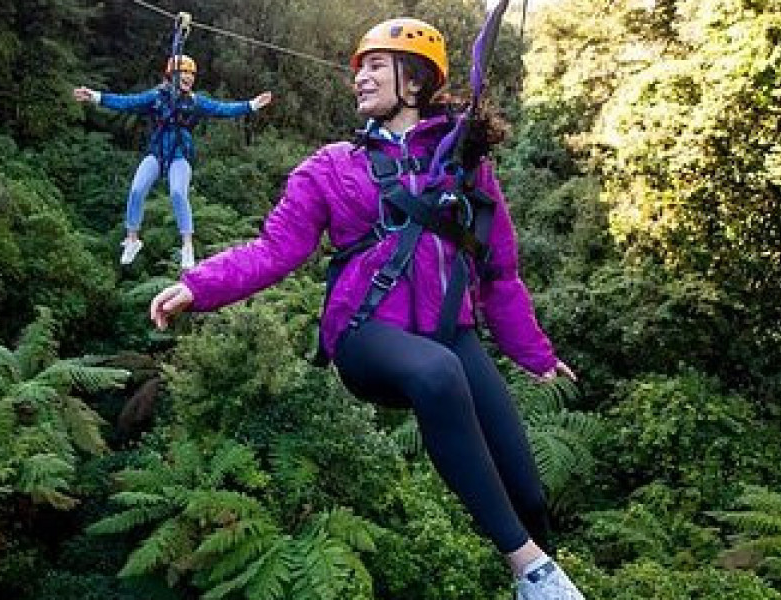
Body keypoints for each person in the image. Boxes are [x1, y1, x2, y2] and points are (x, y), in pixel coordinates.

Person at [148, 18, 586, 600]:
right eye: (359, 68)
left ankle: (540, 576)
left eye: (376, 65)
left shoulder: (464, 165)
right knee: (436, 373)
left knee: (528, 493)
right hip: (367, 334)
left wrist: (536, 355)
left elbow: (499, 272)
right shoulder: (331, 166)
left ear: (414, 81)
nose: (360, 77)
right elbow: (274, 249)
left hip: (450, 333)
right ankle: (527, 569)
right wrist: (199, 285)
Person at [73, 55, 273, 268]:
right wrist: (94, 96)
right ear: (172, 76)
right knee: (136, 190)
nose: (188, 78)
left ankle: (187, 246)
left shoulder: (196, 102)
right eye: (184, 74)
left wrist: (251, 105)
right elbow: (127, 103)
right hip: (157, 152)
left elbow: (222, 109)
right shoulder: (157, 97)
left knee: (178, 192)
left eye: (191, 74)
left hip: (179, 154)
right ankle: (132, 239)